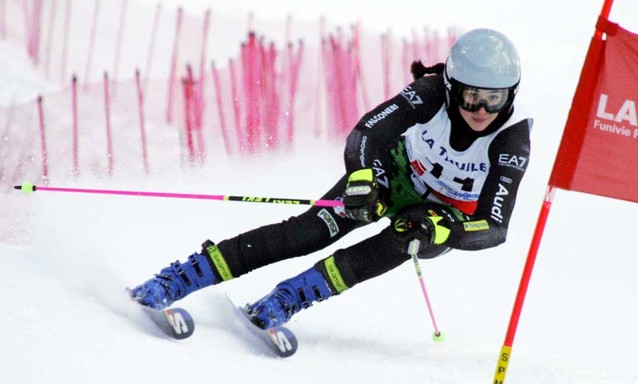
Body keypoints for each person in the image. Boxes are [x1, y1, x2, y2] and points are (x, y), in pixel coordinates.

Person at [129, 28, 532, 330]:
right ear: (452, 86)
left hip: (440, 215)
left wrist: (444, 230)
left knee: (393, 242)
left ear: (509, 96)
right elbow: (367, 134)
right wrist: (364, 179)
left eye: (494, 98)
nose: (481, 109)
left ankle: (287, 298)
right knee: (308, 231)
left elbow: (495, 226)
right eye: (471, 96)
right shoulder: (428, 94)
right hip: (395, 171)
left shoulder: (511, 138)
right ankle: (187, 275)